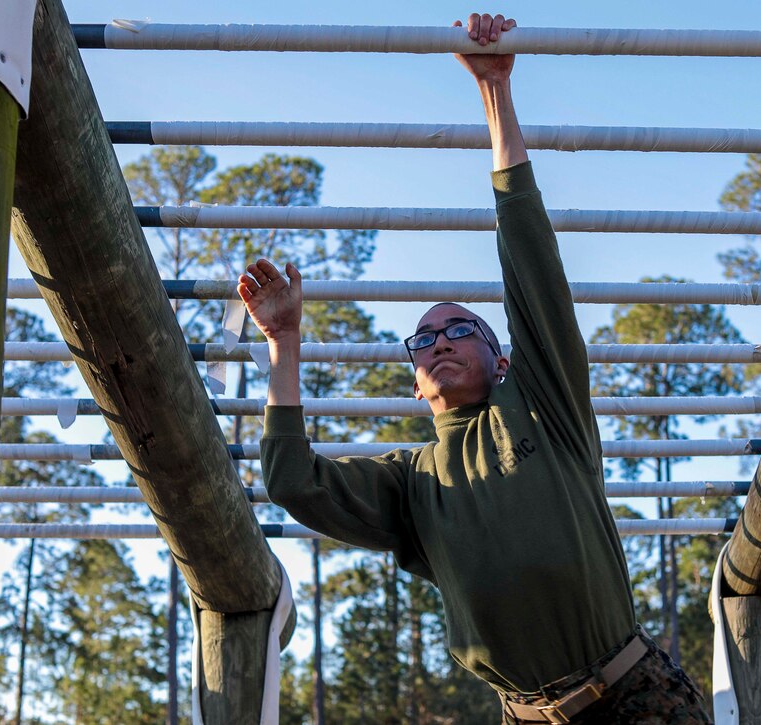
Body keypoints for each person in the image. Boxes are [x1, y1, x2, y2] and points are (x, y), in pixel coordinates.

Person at [238, 13, 711, 724]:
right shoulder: (413, 481)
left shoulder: (543, 406)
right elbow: (291, 480)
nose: (440, 340)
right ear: (415, 372)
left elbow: (531, 263)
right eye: (424, 338)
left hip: (633, 699)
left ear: (503, 357)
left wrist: (495, 92)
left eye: (461, 327)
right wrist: (284, 343)